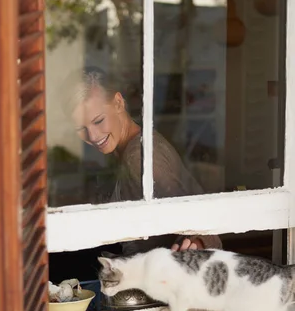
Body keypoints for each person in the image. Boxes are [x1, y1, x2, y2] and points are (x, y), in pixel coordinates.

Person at [62, 66, 222, 255]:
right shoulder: (128, 148)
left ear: (118, 103)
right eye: (81, 129)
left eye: (98, 121)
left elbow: (195, 227)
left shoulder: (139, 158)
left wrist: (197, 243)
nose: (93, 135)